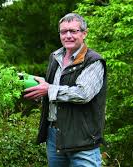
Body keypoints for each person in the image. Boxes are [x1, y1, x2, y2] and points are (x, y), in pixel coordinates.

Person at [24, 13, 107, 167]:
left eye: (73, 31)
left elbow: (83, 93)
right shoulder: (55, 57)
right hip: (54, 136)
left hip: (83, 139)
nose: (68, 36)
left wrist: (48, 90)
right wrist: (36, 86)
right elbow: (53, 90)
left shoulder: (93, 61)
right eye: (63, 32)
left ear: (84, 33)